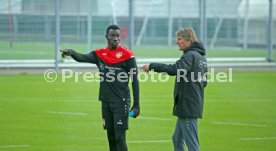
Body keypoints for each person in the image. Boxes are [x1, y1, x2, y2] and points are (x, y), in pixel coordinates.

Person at [60, 25, 140, 151]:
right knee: (111, 137)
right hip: (105, 102)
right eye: (113, 35)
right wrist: (70, 52)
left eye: (118, 36)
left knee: (120, 138)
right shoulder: (100, 54)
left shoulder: (128, 55)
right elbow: (82, 57)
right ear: (106, 37)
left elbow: (135, 80)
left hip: (121, 102)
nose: (116, 38)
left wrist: (136, 105)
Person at [141, 27, 207, 151]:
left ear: (188, 40)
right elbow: (204, 81)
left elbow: (175, 69)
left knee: (192, 144)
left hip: (188, 105)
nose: (177, 42)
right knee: (177, 139)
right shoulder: (201, 57)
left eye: (179, 39)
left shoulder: (190, 55)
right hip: (188, 104)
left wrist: (152, 66)